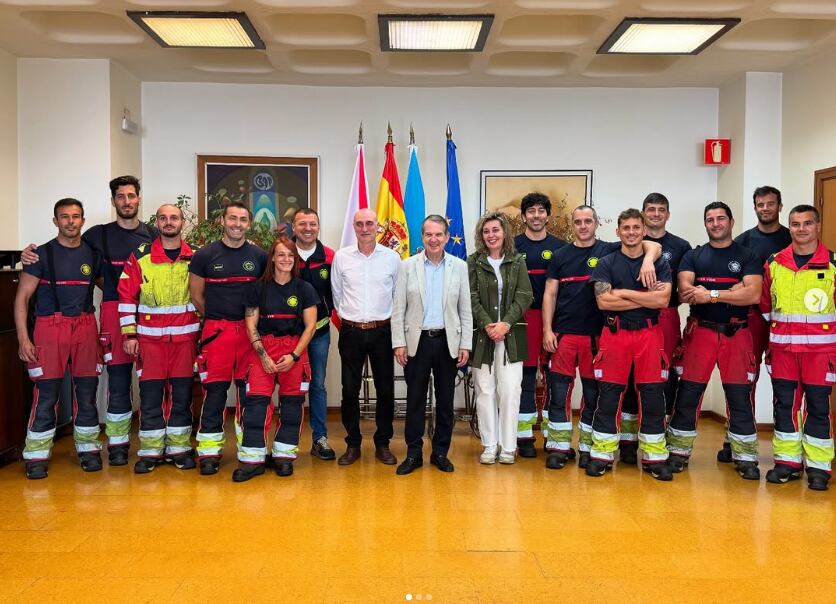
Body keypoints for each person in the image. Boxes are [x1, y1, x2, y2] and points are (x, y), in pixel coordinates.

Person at [20, 176, 157, 466]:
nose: (127, 202)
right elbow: (25, 295)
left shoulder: (151, 235)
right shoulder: (94, 237)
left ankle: (120, 449)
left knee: (125, 387)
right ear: (113, 202)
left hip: (130, 318)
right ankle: (43, 456)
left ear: (138, 199)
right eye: (121, 197)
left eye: (131, 196)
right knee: (99, 385)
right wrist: (27, 254)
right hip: (79, 319)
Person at [541, 205, 660, 469]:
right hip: (563, 335)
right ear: (572, 224)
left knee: (594, 396)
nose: (583, 226)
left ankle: (587, 447)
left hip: (598, 337)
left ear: (597, 224)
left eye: (588, 221)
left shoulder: (609, 251)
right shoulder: (560, 255)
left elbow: (650, 244)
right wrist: (547, 330)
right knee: (559, 393)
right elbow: (550, 294)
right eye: (578, 221)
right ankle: (559, 447)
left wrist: (650, 258)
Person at [666, 201, 762, 480]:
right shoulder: (694, 255)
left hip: (737, 334)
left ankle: (744, 457)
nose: (716, 223)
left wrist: (712, 294)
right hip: (701, 333)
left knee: (739, 396)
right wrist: (732, 290)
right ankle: (678, 453)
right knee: (688, 394)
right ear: (705, 224)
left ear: (731, 222)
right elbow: (685, 291)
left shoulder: (747, 255)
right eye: (710, 219)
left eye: (721, 218)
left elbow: (753, 294)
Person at [14, 199, 102, 479]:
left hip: (86, 326)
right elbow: (22, 298)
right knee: (47, 393)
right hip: (49, 328)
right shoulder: (40, 254)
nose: (70, 222)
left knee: (86, 392)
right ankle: (37, 456)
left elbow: (112, 287)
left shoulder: (93, 253)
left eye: (76, 216)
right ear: (55, 221)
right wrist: (23, 339)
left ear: (83, 220)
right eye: (64, 217)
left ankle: (88, 450)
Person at [588, 208, 673, 481]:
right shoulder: (606, 262)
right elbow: (604, 302)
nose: (632, 232)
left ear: (643, 231)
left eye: (637, 228)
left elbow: (662, 301)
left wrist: (623, 292)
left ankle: (654, 457)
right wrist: (643, 296)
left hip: (649, 335)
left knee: (652, 397)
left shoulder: (658, 264)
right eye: (626, 228)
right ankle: (601, 455)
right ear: (618, 232)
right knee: (609, 395)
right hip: (615, 334)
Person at [118, 204, 200, 474]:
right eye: (163, 218)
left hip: (186, 341)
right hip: (149, 341)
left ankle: (179, 449)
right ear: (157, 222)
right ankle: (151, 451)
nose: (169, 222)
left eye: (174, 218)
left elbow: (204, 299)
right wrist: (129, 333)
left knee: (181, 396)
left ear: (182, 222)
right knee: (151, 396)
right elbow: (127, 297)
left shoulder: (196, 257)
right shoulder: (140, 257)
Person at [189, 202, 267, 475]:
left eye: (243, 219)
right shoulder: (205, 255)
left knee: (250, 394)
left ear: (248, 223)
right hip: (217, 332)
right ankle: (209, 452)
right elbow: (196, 295)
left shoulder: (258, 256)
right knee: (215, 393)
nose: (237, 223)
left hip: (249, 334)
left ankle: (251, 452)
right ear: (222, 220)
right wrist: (215, 319)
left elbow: (263, 296)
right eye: (232, 218)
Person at [761, 204, 835, 491]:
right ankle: (787, 463)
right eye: (795, 224)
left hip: (820, 353)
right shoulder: (775, 263)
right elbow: (767, 307)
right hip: (783, 351)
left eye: (806, 223)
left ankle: (818, 467)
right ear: (788, 227)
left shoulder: (832, 265)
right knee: (785, 407)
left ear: (817, 226)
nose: (800, 229)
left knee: (818, 408)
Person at [232, 236, 318, 481]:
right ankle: (252, 461)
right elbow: (251, 325)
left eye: (290, 255)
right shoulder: (258, 288)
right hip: (262, 349)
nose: (286, 260)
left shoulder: (304, 289)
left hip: (294, 350)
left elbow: (310, 327)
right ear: (272, 258)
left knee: (291, 407)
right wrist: (263, 355)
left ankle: (283, 457)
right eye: (281, 254)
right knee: (256, 405)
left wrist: (293, 356)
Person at [716, 185, 792, 463]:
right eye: (760, 204)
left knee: (785, 382)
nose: (765, 209)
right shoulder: (744, 241)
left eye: (770, 204)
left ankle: (787, 447)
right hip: (750, 318)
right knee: (743, 380)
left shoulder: (790, 237)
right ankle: (733, 437)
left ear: (779, 206)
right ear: (755, 207)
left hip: (785, 320)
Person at [391, 215, 472, 475]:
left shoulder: (459, 267)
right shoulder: (407, 266)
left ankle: (440, 452)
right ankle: (413, 454)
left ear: (447, 237)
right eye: (429, 234)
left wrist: (465, 344)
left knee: (445, 402)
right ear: (422, 237)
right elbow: (398, 308)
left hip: (449, 342)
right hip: (417, 343)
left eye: (439, 234)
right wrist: (399, 343)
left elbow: (465, 310)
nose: (434, 239)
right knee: (415, 401)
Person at [618, 193, 692, 462]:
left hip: (665, 316)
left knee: (664, 377)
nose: (656, 214)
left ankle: (662, 439)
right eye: (651, 209)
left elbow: (684, 289)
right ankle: (627, 442)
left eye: (662, 210)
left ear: (668, 215)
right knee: (629, 375)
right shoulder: (627, 244)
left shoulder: (681, 246)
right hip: (630, 316)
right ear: (642, 213)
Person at [331, 208, 401, 466]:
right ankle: (353, 443)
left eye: (369, 223)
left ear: (378, 227)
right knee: (349, 390)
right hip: (350, 331)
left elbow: (398, 296)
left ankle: (383, 444)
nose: (365, 228)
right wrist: (352, 318)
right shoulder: (342, 257)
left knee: (385, 390)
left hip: (383, 330)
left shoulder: (392, 258)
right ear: (354, 227)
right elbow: (337, 295)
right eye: (359, 224)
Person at [468, 212, 533, 465]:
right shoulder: (473, 262)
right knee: (484, 391)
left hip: (511, 337)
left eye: (495, 230)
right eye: (486, 231)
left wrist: (505, 324)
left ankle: (508, 447)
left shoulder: (517, 261)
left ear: (504, 233)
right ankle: (489, 445)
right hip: (482, 338)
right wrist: (487, 324)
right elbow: (470, 296)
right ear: (481, 236)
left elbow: (524, 295)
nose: (491, 235)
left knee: (509, 391)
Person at [513, 193, 566, 457]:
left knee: (553, 379)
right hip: (522, 321)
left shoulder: (560, 247)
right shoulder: (512, 246)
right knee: (524, 379)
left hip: (552, 321)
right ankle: (523, 437)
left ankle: (552, 436)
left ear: (548, 215)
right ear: (523, 216)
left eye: (541, 211)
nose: (536, 215)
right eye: (531, 211)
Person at [293, 208, 337, 461]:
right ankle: (287, 439)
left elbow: (337, 291)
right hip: (288, 335)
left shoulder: (329, 256)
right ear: (294, 226)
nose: (307, 228)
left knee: (317, 385)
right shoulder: (284, 253)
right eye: (302, 224)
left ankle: (319, 438)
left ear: (318, 227)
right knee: (290, 387)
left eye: (312, 224)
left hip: (319, 332)